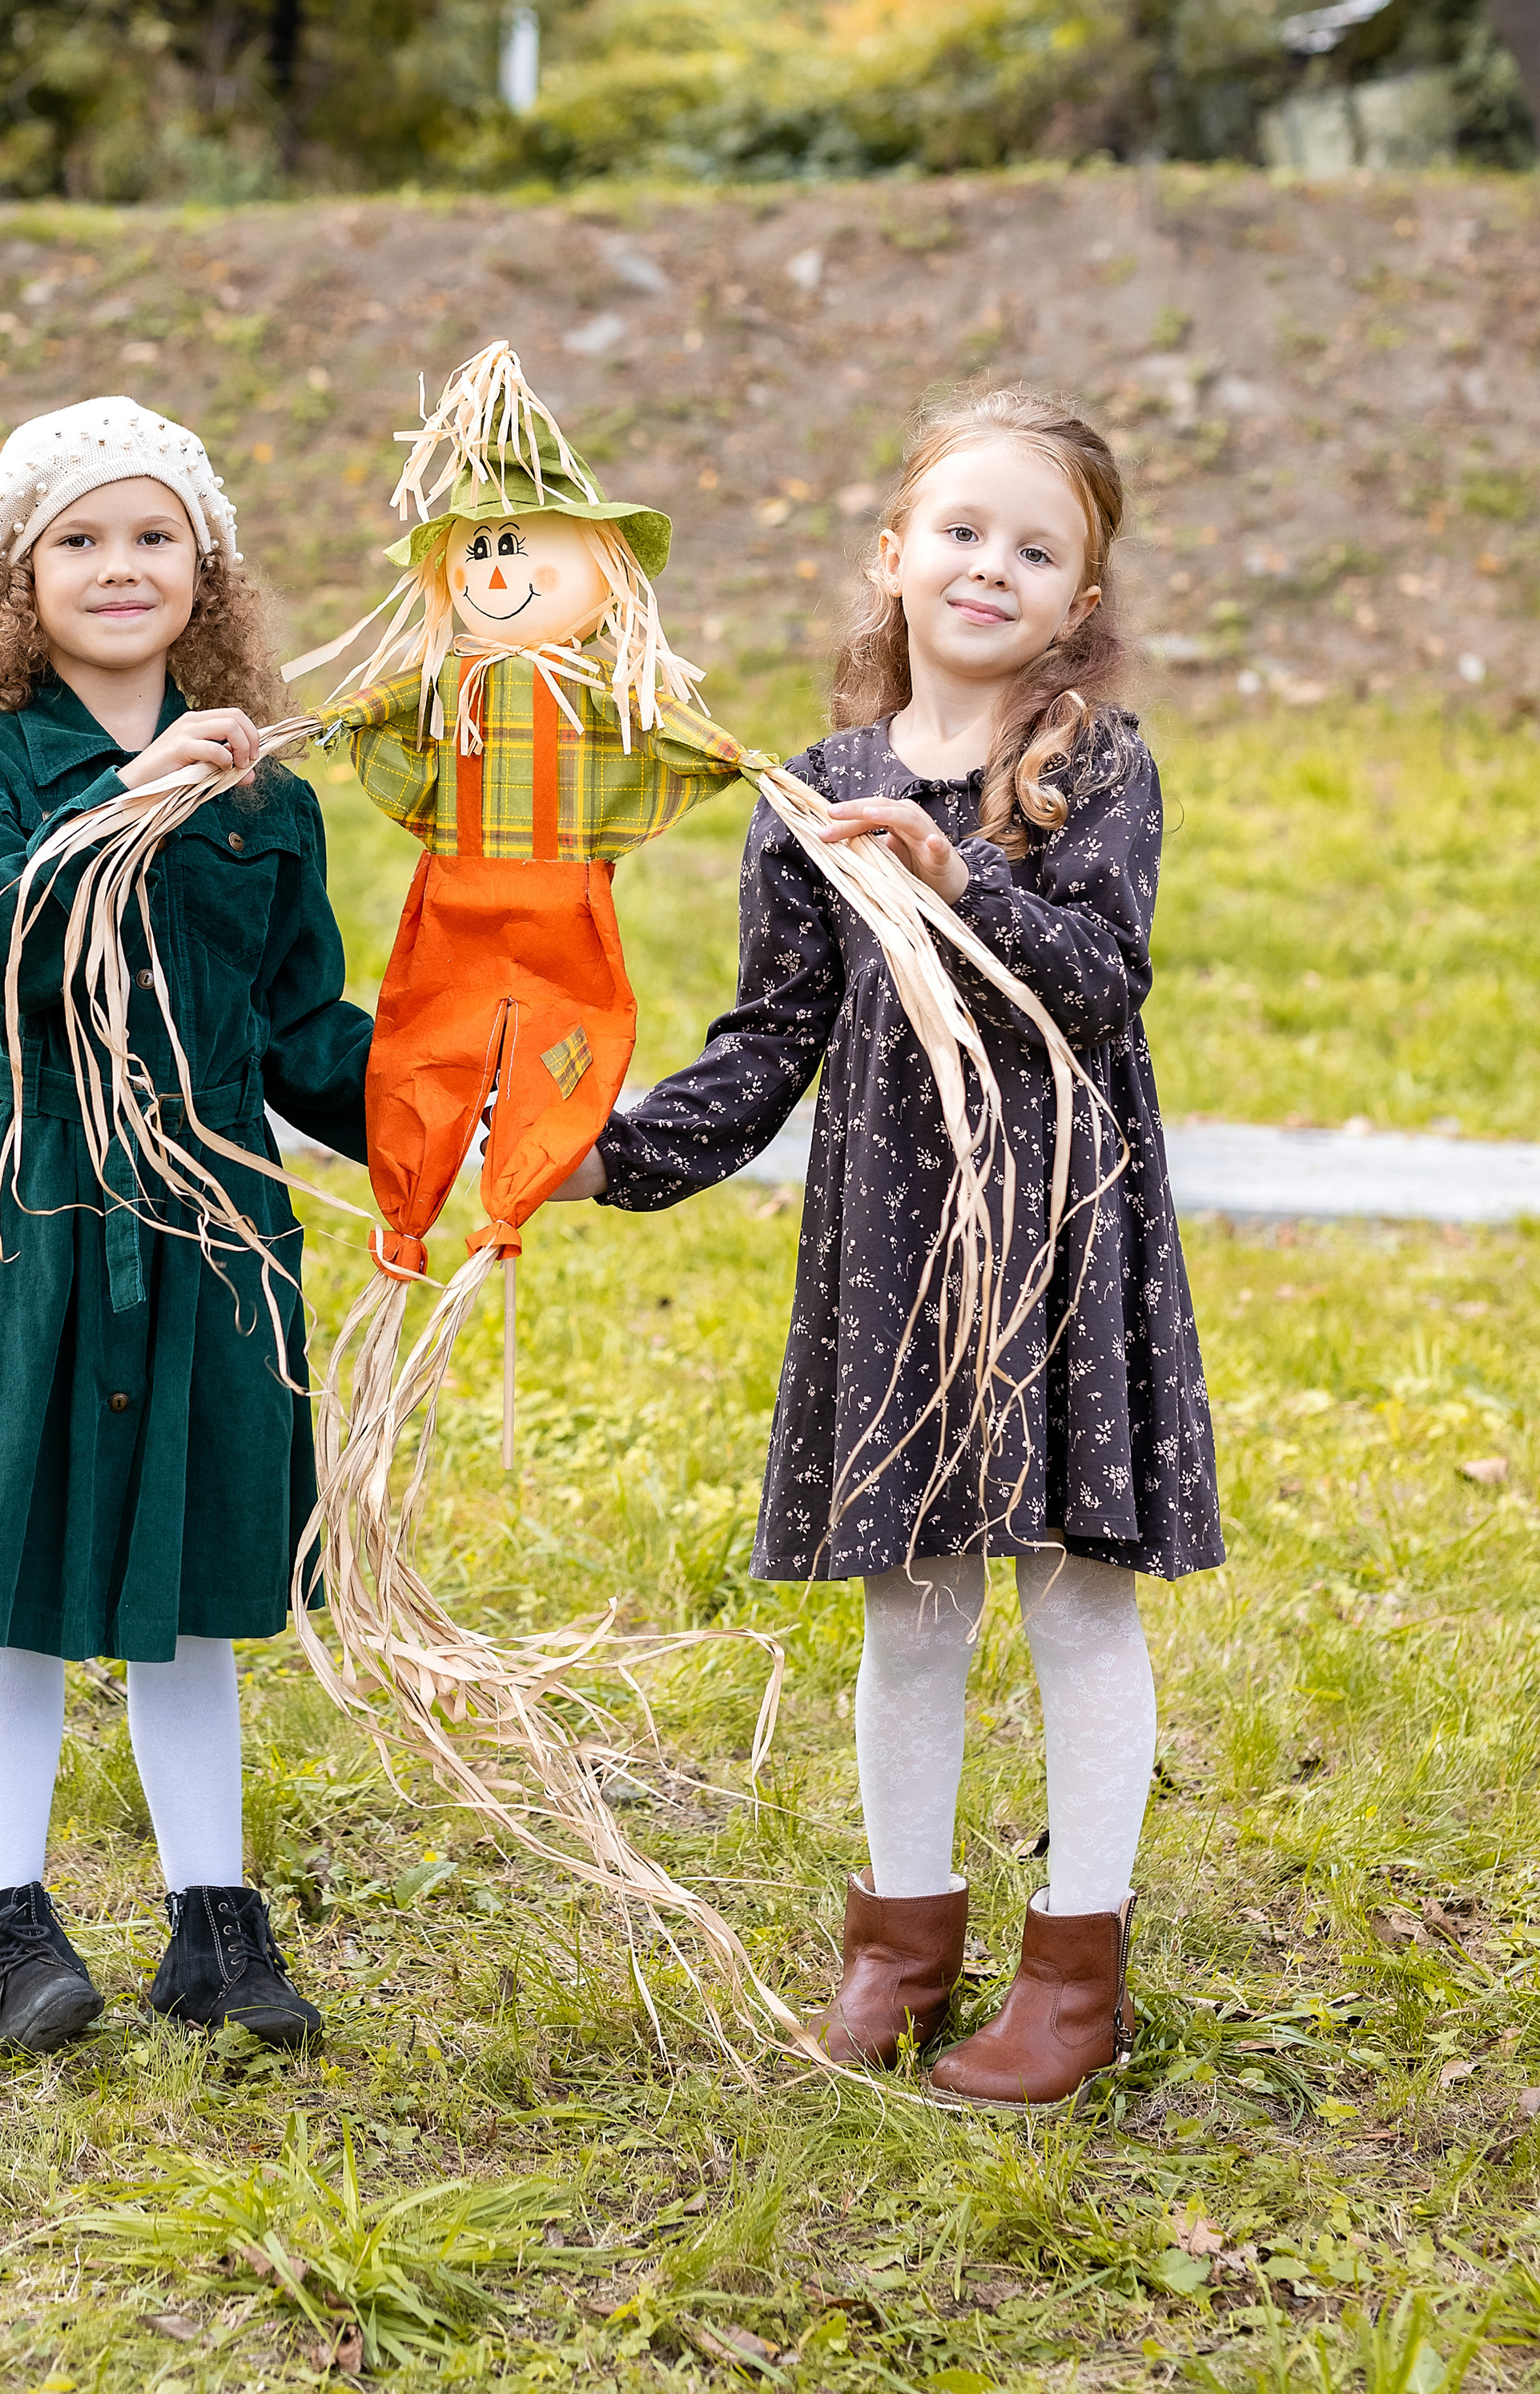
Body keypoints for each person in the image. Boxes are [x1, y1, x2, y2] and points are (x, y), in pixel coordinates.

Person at [553, 385, 1221, 2103]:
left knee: (1074, 1599)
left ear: (1078, 601)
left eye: (1034, 547)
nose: (987, 565)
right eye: (958, 529)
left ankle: (1074, 1976)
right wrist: (601, 1163)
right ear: (892, 555)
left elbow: (1096, 982)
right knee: (908, 1601)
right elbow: (766, 1044)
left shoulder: (1090, 768)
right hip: (889, 1254)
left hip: (1058, 1242)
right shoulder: (815, 793)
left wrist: (954, 874)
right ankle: (897, 1949)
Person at [0, 398, 372, 2057]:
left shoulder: (267, 798)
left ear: (208, 570)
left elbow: (298, 1024)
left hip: (217, 1229)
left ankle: (214, 1922)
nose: (120, 567)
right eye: (80, 540)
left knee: (193, 1576)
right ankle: (9, 1917)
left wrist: (445, 1116)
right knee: (15, 1574)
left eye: (153, 536)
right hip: (40, 1215)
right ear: (17, 579)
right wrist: (127, 795)